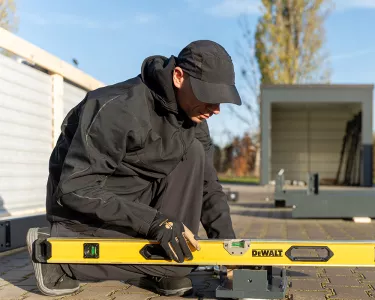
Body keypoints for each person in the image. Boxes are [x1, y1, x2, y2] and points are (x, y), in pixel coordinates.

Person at [26, 40, 242, 297]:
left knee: (193, 154)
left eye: (220, 100)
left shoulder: (193, 117)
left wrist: (233, 255)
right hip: (84, 214)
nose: (216, 109)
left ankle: (163, 268)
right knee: (175, 260)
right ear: (178, 76)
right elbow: (76, 188)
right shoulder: (117, 109)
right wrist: (155, 223)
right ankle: (57, 254)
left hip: (137, 204)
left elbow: (208, 187)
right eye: (208, 96)